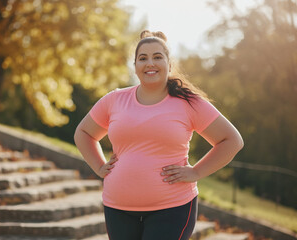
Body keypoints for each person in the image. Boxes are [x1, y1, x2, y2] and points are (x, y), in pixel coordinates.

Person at [74, 30, 244, 240]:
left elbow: (231, 140)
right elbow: (83, 133)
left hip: (172, 208)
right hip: (117, 208)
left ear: (169, 64)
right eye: (142, 58)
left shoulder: (188, 103)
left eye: (157, 57)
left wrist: (196, 172)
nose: (150, 63)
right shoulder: (115, 100)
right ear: (135, 67)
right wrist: (99, 167)